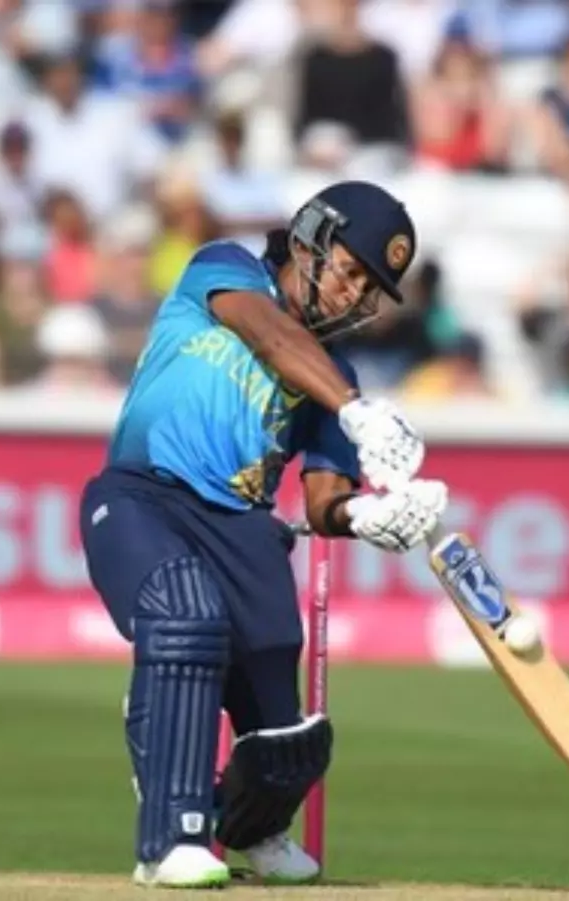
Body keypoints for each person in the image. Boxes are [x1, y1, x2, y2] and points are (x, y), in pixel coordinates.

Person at [78, 181, 448, 888]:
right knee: (187, 617)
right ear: (310, 239)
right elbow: (271, 336)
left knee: (280, 699)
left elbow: (323, 500)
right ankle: (171, 837)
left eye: (369, 288)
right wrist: (356, 409)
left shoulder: (334, 377)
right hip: (143, 497)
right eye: (349, 271)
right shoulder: (225, 269)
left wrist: (366, 516)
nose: (353, 295)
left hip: (242, 529)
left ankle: (253, 826)